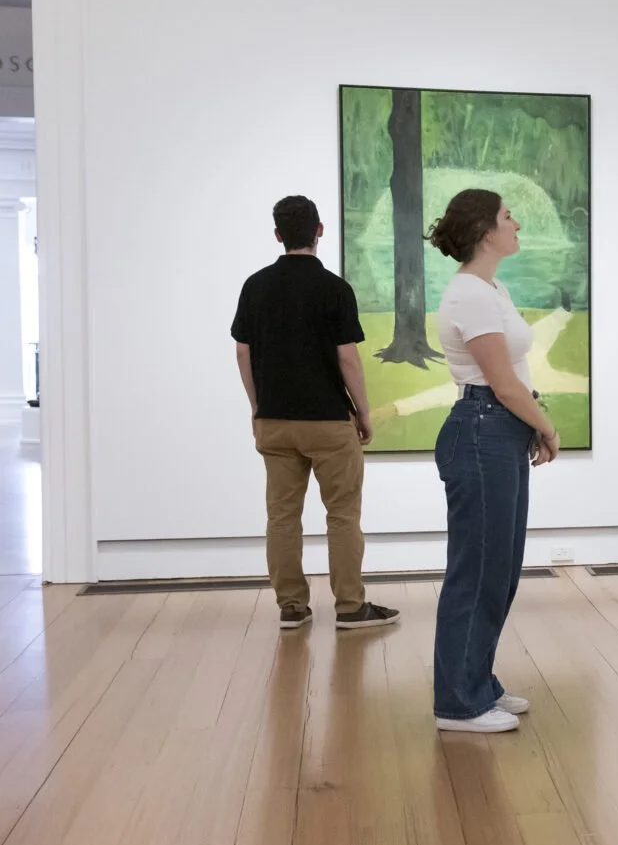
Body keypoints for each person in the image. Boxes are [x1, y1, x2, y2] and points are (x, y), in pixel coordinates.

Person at [231, 195, 401, 631]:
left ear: (277, 235)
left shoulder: (255, 286)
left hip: (275, 422)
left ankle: (291, 607)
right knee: (342, 515)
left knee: (282, 516)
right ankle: (349, 607)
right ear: (319, 230)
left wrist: (257, 404)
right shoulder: (335, 289)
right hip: (328, 421)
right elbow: (348, 359)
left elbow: (243, 351)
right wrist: (363, 412)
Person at [427, 188, 560, 734]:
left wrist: (529, 424)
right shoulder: (470, 296)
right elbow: (502, 384)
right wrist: (546, 426)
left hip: (498, 433)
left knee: (498, 572)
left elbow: (511, 380)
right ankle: (457, 703)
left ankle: (477, 684)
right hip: (482, 431)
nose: (517, 222)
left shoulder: (491, 288)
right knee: (476, 572)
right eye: (509, 216)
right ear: (486, 230)